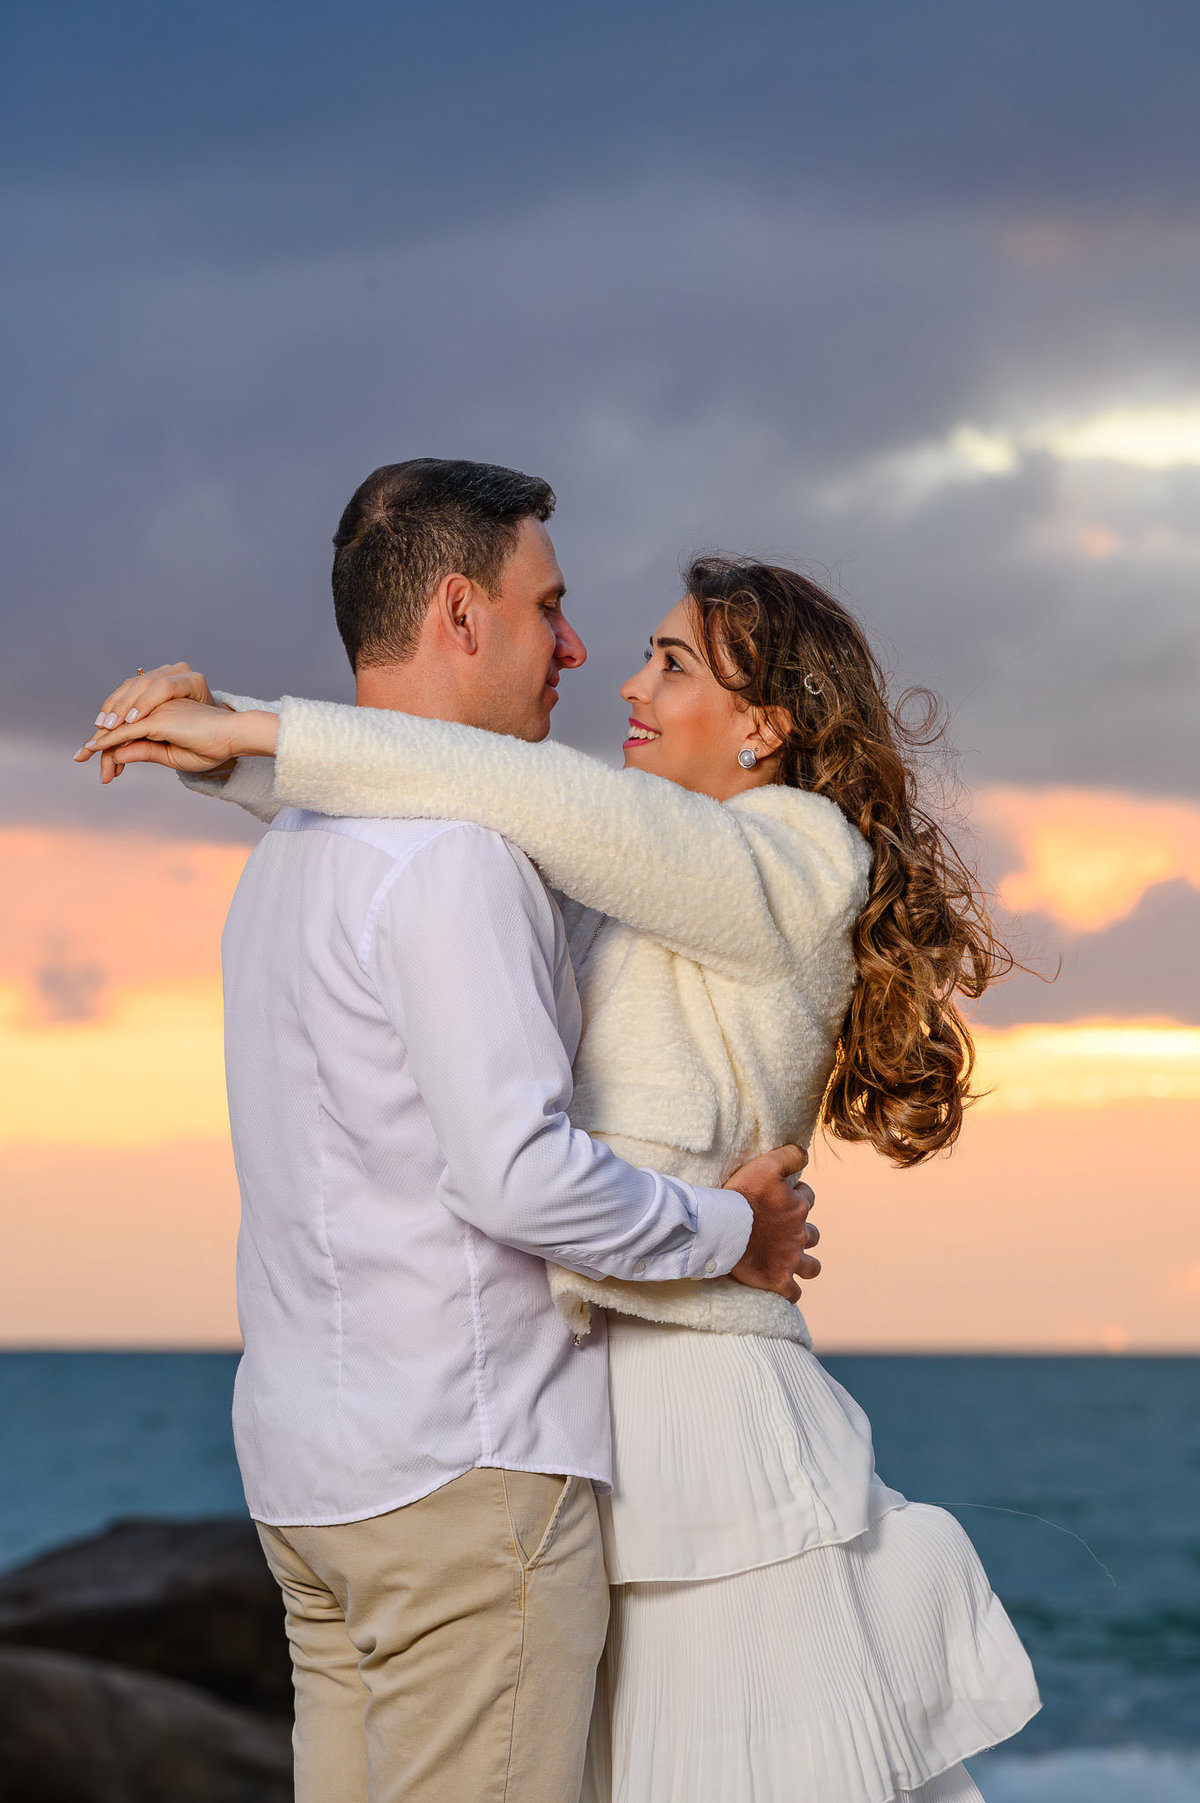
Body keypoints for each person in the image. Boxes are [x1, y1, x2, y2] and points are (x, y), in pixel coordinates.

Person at [81, 459, 1041, 1802]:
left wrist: (259, 727)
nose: (623, 686)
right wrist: (230, 765)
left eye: (670, 665)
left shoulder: (797, 857)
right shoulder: (638, 882)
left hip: (703, 1427)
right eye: (626, 651)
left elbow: (528, 803)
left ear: (764, 725)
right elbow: (458, 820)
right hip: (593, 1428)